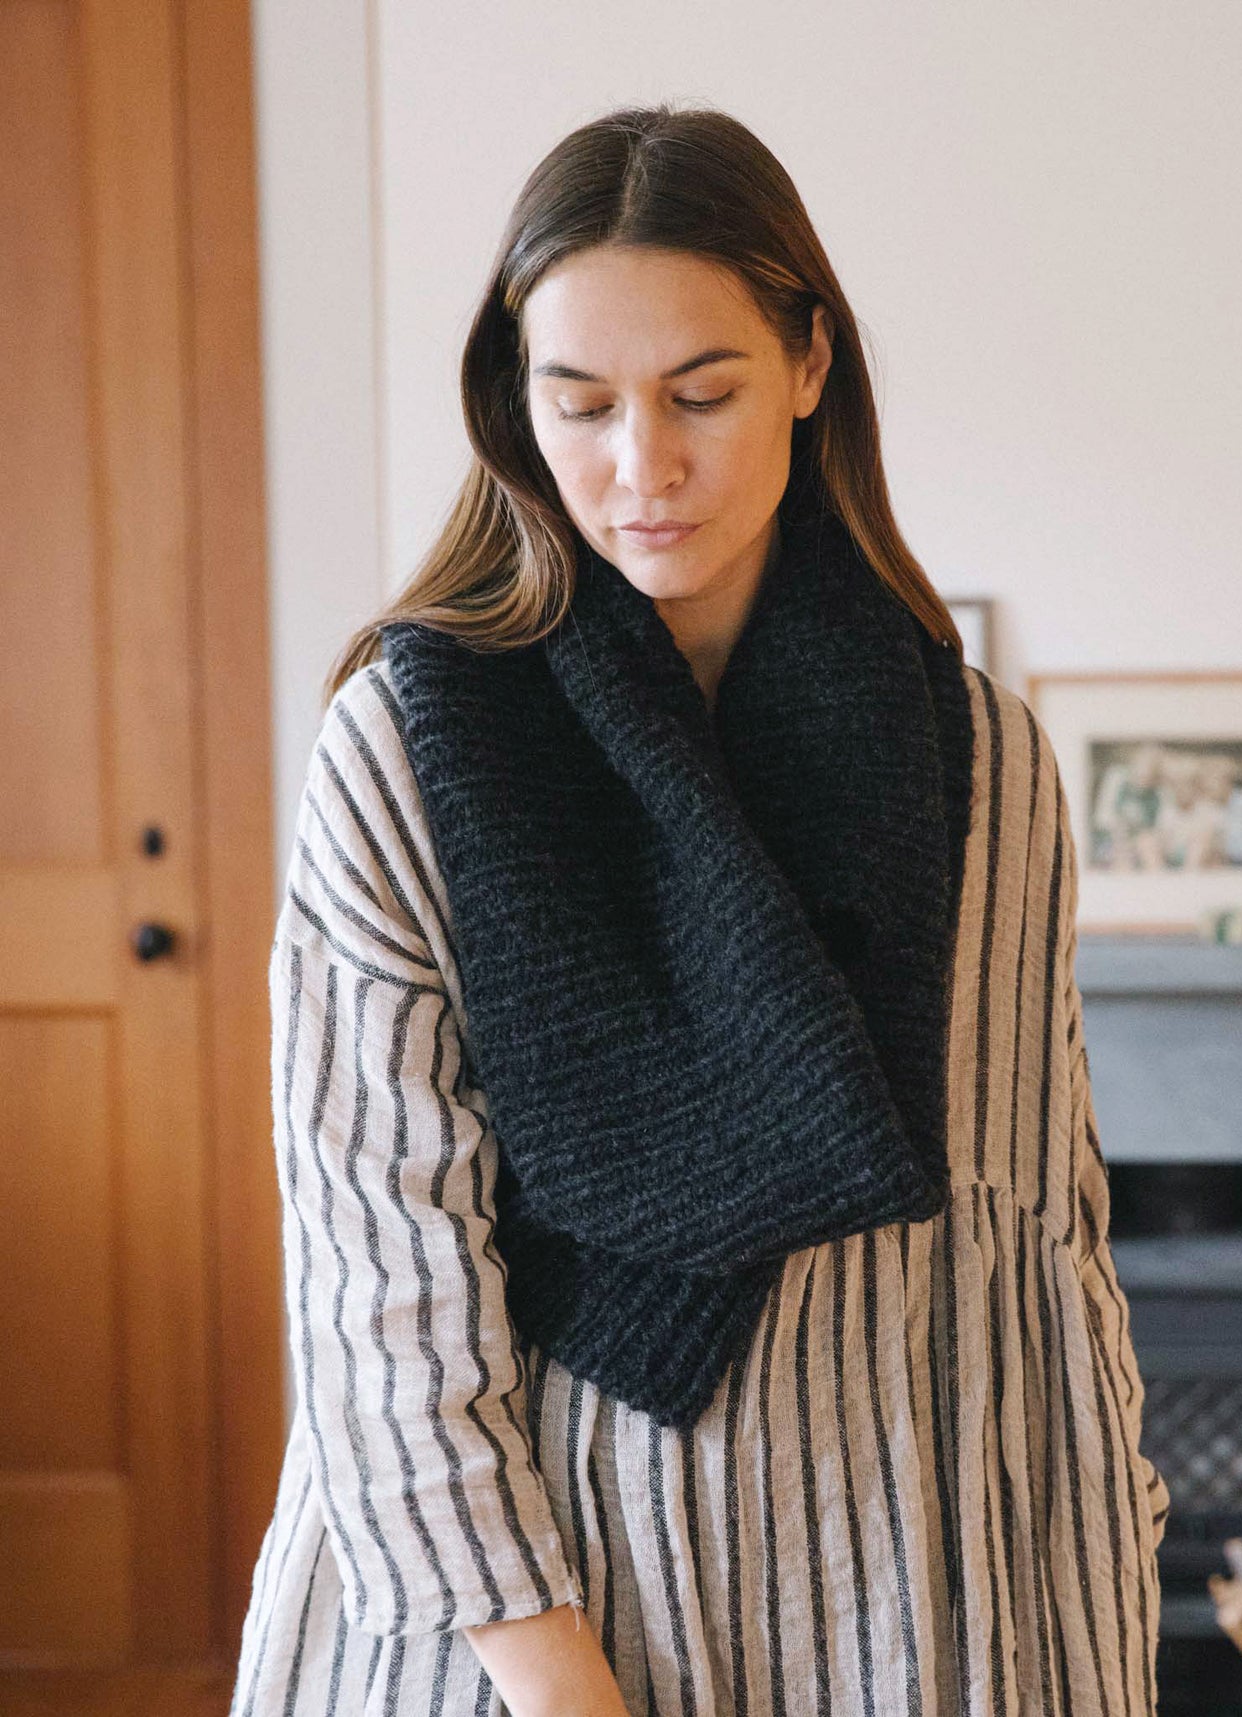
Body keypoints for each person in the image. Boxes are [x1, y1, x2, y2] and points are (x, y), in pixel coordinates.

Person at [231, 101, 1170, 1717]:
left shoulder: (975, 753)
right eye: (580, 403)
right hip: (512, 1599)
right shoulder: (402, 749)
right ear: (515, 402)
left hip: (903, 1585)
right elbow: (378, 1270)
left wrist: (1091, 1596)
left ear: (808, 363)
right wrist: (557, 1682)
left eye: (701, 392)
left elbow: (1028, 1235)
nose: (640, 465)